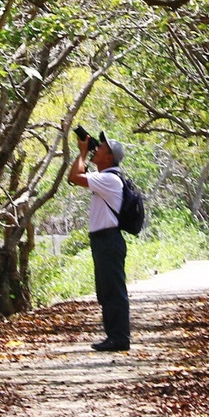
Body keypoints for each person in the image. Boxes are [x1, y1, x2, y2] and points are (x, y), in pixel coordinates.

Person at [68, 132, 131, 351]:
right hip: (103, 240)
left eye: (101, 148)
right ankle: (114, 336)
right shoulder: (104, 178)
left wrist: (83, 152)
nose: (97, 149)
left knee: (113, 290)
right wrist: (84, 153)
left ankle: (120, 338)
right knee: (105, 290)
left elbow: (74, 177)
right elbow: (77, 176)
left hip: (109, 240)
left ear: (109, 157)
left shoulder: (110, 178)